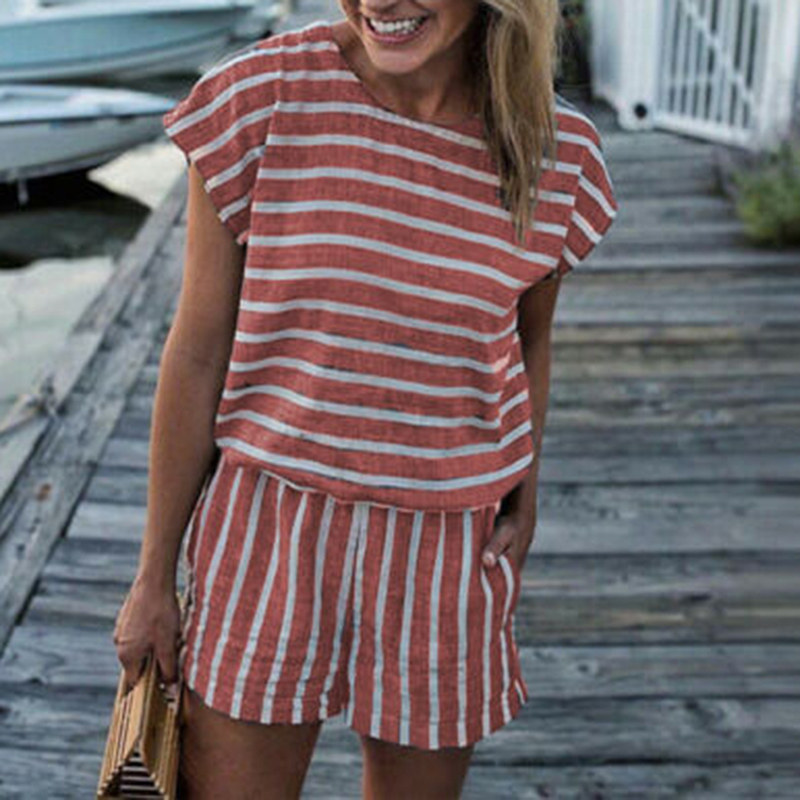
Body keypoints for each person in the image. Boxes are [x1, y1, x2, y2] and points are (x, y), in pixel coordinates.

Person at [112, 1, 618, 797]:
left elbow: (528, 343)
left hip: (445, 548)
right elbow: (198, 348)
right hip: (270, 533)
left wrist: (526, 486)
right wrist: (152, 576)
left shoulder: (557, 151)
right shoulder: (258, 101)